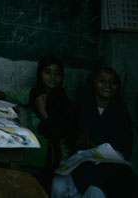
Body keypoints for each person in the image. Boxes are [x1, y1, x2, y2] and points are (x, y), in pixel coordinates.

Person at [51, 67, 138, 198]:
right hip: (80, 166)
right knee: (58, 185)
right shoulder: (80, 108)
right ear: (93, 82)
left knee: (96, 191)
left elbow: (125, 148)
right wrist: (79, 140)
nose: (108, 86)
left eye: (113, 82)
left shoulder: (122, 115)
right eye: (102, 81)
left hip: (108, 171)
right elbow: (69, 135)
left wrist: (102, 149)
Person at [30, 57, 78, 190]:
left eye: (57, 73)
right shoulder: (34, 94)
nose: (53, 77)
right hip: (41, 149)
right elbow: (13, 95)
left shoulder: (67, 105)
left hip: (58, 156)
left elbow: (56, 136)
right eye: (47, 72)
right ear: (40, 73)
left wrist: (43, 112)